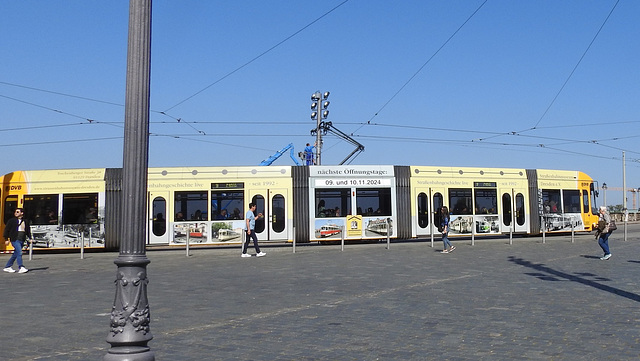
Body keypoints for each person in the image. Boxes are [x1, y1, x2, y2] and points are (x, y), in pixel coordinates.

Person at [3, 208, 31, 273]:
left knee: (16, 254)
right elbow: (6, 230)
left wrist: (30, 238)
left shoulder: (25, 221)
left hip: (21, 239)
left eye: (18, 212)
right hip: (14, 239)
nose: (16, 213)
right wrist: (6, 239)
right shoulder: (11, 221)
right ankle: (21, 267)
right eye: (15, 212)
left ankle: (8, 266)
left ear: (22, 213)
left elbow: (28, 230)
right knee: (20, 252)